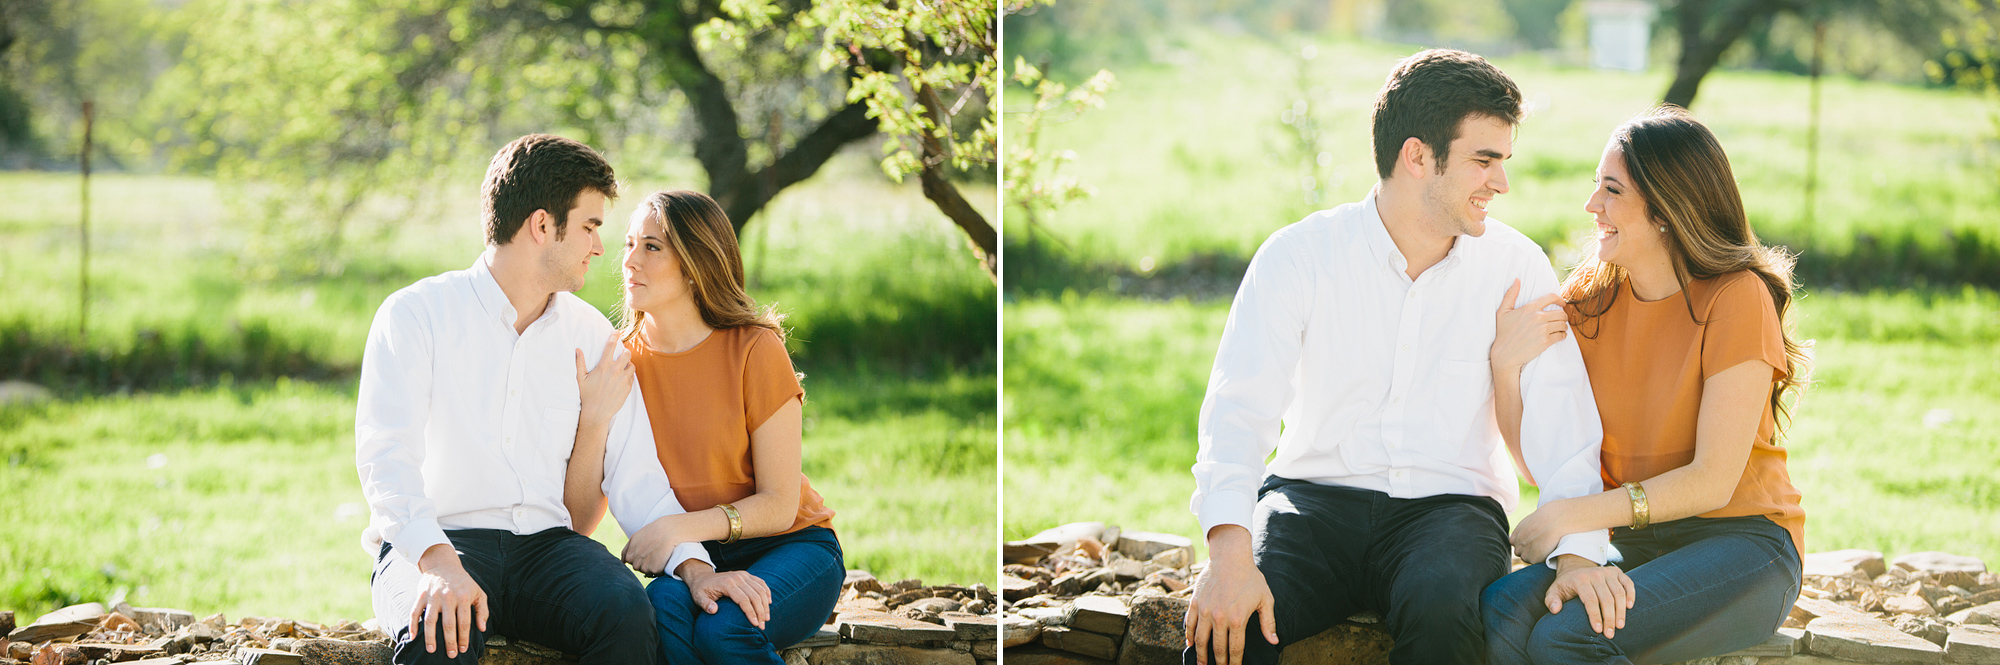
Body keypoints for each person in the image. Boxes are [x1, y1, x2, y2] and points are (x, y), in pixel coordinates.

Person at [1182, 49, 1612, 665]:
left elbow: (1563, 426)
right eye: (1483, 160)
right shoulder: (1299, 255)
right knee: (1226, 630)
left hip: (1451, 514)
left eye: (1503, 161)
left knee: (1446, 619)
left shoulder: (1517, 268)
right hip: (1310, 502)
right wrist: (1227, 553)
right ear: (1417, 156)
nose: (1502, 182)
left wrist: (1578, 553)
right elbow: (1237, 409)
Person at [355, 134, 713, 665]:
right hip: (437, 542)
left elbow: (638, 475)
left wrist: (696, 566)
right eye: (590, 225)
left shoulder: (592, 337)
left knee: (627, 615)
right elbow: (387, 460)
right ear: (543, 226)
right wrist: (437, 564)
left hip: (547, 551)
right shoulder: (415, 315)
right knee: (437, 632)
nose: (599, 246)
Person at [1480, 106, 1810, 664]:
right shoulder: (1588, 301)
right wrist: (1504, 370)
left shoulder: (1736, 298)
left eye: (1612, 190)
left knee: (1569, 636)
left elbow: (1711, 482)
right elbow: (1544, 464)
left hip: (1744, 545)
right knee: (1503, 611)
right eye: (1596, 188)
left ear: (1666, 210)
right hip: (1632, 543)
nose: (1592, 207)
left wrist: (1570, 518)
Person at [566, 189, 843, 665]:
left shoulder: (754, 349)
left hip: (792, 546)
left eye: (652, 246)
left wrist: (674, 527)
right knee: (662, 616)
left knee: (726, 630)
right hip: (689, 559)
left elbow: (779, 505)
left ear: (696, 264)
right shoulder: (616, 364)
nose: (628, 260)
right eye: (629, 243)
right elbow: (579, 515)